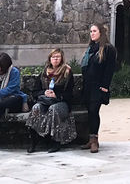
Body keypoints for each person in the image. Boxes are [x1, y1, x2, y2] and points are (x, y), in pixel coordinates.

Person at [26, 47, 76, 153]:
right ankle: (33, 140)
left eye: (58, 57)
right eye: (53, 57)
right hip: (45, 101)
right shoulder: (44, 72)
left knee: (54, 109)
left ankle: (55, 141)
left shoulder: (67, 72)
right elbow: (35, 92)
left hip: (61, 102)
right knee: (36, 108)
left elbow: (69, 93)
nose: (56, 59)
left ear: (62, 59)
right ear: (50, 59)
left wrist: (56, 95)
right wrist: (44, 92)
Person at [81, 23, 117, 153]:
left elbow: (109, 69)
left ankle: (94, 140)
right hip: (88, 86)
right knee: (90, 112)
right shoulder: (91, 49)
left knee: (94, 110)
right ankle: (90, 139)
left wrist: (105, 87)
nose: (92, 34)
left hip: (98, 86)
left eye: (94, 31)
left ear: (101, 33)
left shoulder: (108, 49)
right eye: (91, 31)